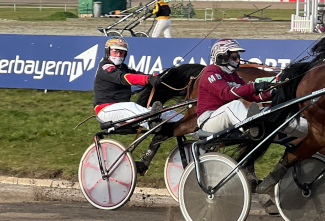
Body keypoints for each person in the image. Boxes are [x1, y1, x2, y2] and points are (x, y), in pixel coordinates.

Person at [94, 37, 183, 174]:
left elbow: (138, 75)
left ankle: (195, 128)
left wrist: (155, 77)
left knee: (168, 111)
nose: (118, 55)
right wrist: (147, 79)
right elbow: (125, 78)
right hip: (105, 109)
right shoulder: (105, 66)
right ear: (108, 52)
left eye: (122, 53)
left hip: (121, 109)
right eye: (115, 52)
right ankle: (152, 122)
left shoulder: (123, 67)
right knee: (130, 106)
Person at [196, 38, 274, 134]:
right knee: (235, 105)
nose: (238, 60)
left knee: (266, 110)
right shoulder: (211, 71)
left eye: (238, 56)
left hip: (227, 117)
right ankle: (249, 127)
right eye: (235, 56)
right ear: (222, 57)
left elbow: (251, 96)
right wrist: (254, 86)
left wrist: (271, 92)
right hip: (208, 119)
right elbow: (226, 93)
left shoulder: (233, 75)